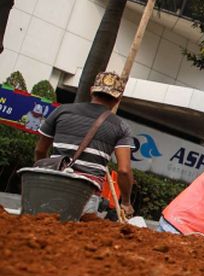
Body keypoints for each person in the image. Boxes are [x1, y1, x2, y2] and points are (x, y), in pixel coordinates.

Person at [34, 71, 134, 219]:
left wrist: (44, 174)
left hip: (53, 185)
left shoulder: (62, 111)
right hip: (86, 193)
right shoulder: (121, 126)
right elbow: (124, 171)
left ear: (91, 90)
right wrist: (126, 202)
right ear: (118, 98)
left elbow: (40, 150)